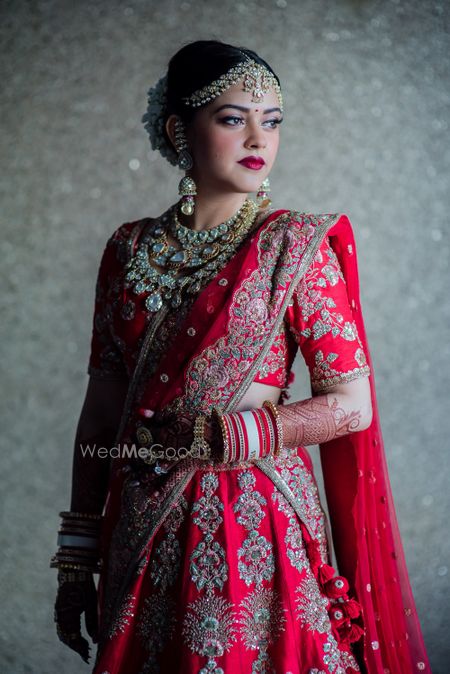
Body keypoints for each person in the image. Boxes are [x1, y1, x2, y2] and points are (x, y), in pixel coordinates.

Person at [51, 40, 432, 674]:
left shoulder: (293, 247)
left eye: (273, 120)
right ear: (180, 129)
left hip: (252, 524)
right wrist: (76, 559)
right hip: (143, 525)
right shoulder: (128, 249)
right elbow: (100, 417)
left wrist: (235, 433)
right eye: (234, 118)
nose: (259, 137)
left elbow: (351, 406)